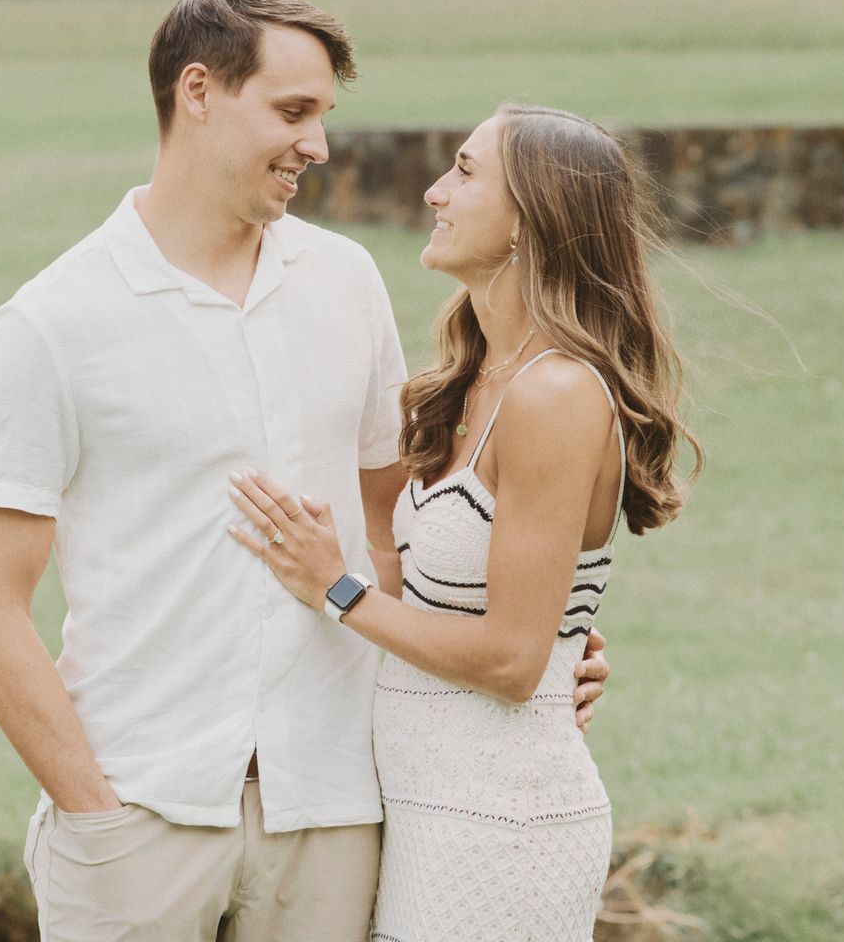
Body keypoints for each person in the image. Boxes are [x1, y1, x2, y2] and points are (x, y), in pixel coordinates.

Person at [0, 0, 610, 942]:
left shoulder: (343, 280)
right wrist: (91, 808)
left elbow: (399, 531)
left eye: (325, 115)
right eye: (294, 110)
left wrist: (544, 653)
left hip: (336, 810)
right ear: (199, 91)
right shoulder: (54, 322)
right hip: (141, 811)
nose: (319, 143)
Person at [229, 103, 702, 941]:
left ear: (533, 217)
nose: (435, 191)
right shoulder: (474, 375)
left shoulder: (554, 393)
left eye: (466, 171)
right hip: (422, 807)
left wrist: (330, 586)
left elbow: (514, 662)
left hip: (499, 824)